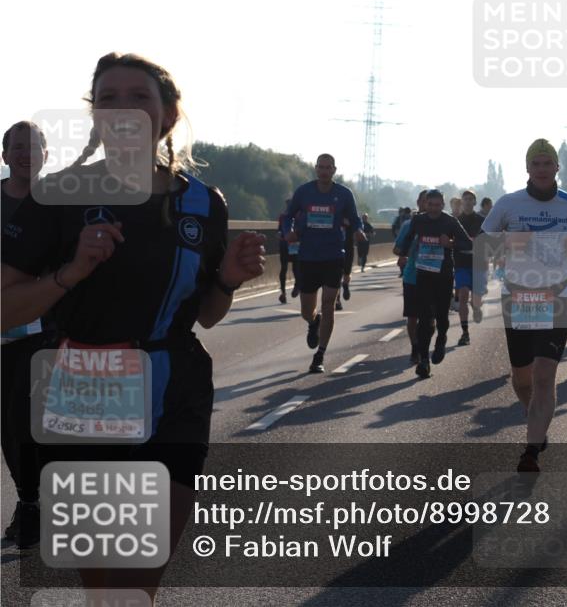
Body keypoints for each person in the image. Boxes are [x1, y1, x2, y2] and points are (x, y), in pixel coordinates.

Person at [0, 53, 265, 598]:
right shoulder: (58, 196)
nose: (121, 108)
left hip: (175, 388)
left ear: (167, 116)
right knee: (104, 581)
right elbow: (6, 309)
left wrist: (229, 280)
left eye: (138, 97)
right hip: (84, 385)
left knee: (140, 573)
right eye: (107, 98)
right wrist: (70, 273)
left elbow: (209, 316)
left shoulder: (202, 202)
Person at [480, 138, 567, 473]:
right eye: (537, 164)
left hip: (556, 296)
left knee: (545, 375)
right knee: (522, 379)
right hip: (517, 297)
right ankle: (536, 417)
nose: (542, 169)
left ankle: (531, 450)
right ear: (528, 168)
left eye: (548, 163)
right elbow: (484, 242)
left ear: (557, 167)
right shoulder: (508, 203)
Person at [0, 121, 49, 549]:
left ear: (46, 156)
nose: (25, 154)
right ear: (4, 155)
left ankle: (34, 503)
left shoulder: (61, 204)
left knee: (32, 421)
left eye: (33, 147)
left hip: (43, 330)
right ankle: (30, 499)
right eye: (17, 148)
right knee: (9, 426)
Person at [284, 154, 365, 373]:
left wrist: (359, 230)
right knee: (306, 310)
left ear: (334, 170)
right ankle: (313, 322)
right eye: (321, 167)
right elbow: (288, 216)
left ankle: (320, 355)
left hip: (333, 256)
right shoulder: (304, 191)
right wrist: (288, 232)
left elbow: (355, 219)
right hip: (309, 257)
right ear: (316, 169)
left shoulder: (344, 194)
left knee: (329, 303)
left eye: (328, 167)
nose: (324, 171)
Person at [396, 189, 472, 378]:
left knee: (441, 316)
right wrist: (403, 254)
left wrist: (451, 244)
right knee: (424, 318)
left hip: (443, 275)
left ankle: (441, 339)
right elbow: (407, 239)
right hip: (423, 274)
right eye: (430, 205)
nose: (434, 209)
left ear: (443, 205)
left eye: (438, 205)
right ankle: (423, 361)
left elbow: (468, 244)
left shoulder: (449, 221)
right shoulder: (418, 220)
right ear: (425, 204)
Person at [393, 190, 428, 364]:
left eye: (431, 202)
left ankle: (423, 346)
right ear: (419, 202)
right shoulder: (408, 225)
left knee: (429, 319)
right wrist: (403, 254)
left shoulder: (443, 223)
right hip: (412, 277)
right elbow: (397, 248)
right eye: (424, 201)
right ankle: (415, 347)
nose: (428, 205)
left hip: (432, 278)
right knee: (413, 317)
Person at [454, 189, 486, 344]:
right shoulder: (455, 220)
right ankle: (465, 333)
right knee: (463, 295)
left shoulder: (482, 220)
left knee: (475, 299)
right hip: (461, 263)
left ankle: (477, 308)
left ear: (474, 202)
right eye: (465, 199)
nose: (467, 201)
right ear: (462, 202)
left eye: (470, 199)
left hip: (478, 264)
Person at [277, 197, 300, 303]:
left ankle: (297, 286)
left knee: (296, 268)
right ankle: (283, 292)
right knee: (284, 268)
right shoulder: (283, 217)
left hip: (295, 245)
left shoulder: (299, 216)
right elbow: (279, 230)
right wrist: (280, 234)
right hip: (284, 245)